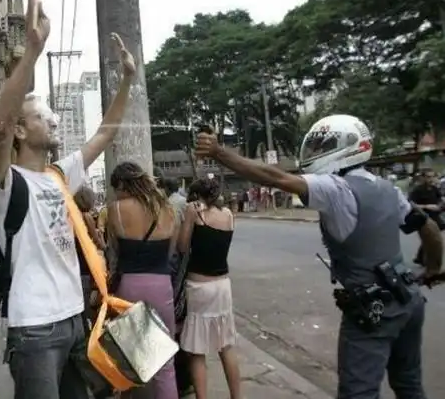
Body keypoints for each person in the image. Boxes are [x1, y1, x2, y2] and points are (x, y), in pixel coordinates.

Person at [195, 114, 443, 399]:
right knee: (409, 384)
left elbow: (276, 177)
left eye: (324, 146)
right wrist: (433, 268)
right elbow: (429, 228)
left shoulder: (335, 188)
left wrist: (219, 152)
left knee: (358, 393)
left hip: (374, 311)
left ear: (348, 147)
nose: (316, 152)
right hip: (410, 300)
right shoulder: (387, 188)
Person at [0, 0, 137, 399]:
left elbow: (104, 134)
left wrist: (127, 80)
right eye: (40, 116)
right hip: (34, 328)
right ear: (20, 130)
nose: (52, 121)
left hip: (73, 320)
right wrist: (32, 51)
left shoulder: (58, 175)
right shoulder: (5, 181)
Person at [107, 161, 179, 399]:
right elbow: (171, 252)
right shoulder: (166, 208)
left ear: (122, 185)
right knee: (165, 361)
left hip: (129, 285)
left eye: (115, 188)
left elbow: (114, 252)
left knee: (129, 359)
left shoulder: (116, 209)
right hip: (161, 285)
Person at [177, 177, 240, 399]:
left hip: (200, 286)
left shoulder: (197, 215)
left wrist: (189, 218)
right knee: (226, 345)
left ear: (196, 196)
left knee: (197, 349)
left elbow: (182, 247)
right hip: (223, 285)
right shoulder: (229, 215)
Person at [73, 186, 107, 330]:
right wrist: (104, 246)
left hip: (75, 263)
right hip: (85, 264)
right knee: (87, 299)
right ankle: (88, 330)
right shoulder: (86, 217)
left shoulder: (72, 215)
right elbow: (97, 242)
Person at [410, 169, 444, 266]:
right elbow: (411, 204)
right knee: (432, 240)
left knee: (431, 240)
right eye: (428, 177)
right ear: (423, 178)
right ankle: (430, 264)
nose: (431, 179)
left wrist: (440, 204)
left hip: (435, 218)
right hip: (423, 218)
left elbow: (440, 199)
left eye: (433, 176)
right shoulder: (418, 190)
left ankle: (420, 258)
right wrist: (426, 206)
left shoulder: (434, 188)